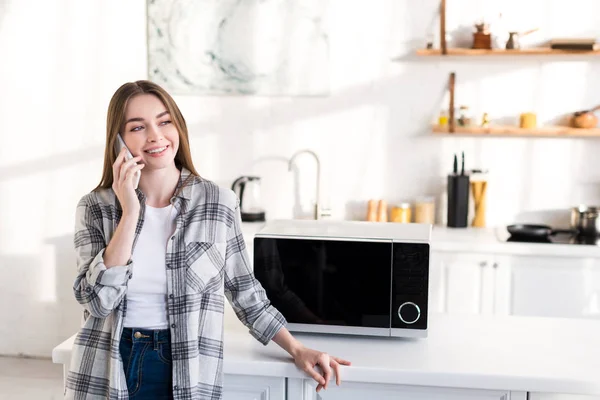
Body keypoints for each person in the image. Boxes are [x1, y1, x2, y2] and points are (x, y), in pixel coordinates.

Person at [65, 80, 351, 400]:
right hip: (107, 365)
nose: (155, 136)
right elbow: (97, 302)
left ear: (179, 126)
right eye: (137, 127)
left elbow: (245, 292)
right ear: (118, 140)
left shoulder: (218, 203)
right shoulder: (94, 207)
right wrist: (130, 211)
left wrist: (297, 348)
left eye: (164, 121)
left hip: (185, 367)